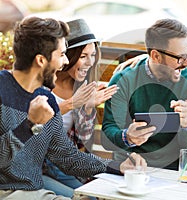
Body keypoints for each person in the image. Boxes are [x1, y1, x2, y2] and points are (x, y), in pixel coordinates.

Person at [0, 16, 146, 200]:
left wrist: (118, 166)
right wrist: (31, 125)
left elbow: (67, 156)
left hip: (34, 191)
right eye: (61, 55)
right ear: (40, 60)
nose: (65, 62)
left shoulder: (46, 100)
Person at [101, 19, 187, 170]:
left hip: (173, 171)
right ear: (156, 56)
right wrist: (127, 137)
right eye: (180, 58)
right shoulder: (123, 80)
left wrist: (186, 126)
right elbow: (108, 135)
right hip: (131, 167)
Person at [42, 18, 118, 198]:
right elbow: (32, 126)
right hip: (41, 165)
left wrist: (89, 108)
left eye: (93, 55)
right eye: (83, 56)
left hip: (64, 164)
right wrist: (70, 104)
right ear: (67, 56)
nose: (89, 62)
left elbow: (83, 140)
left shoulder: (81, 86)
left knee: (93, 195)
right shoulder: (42, 85)